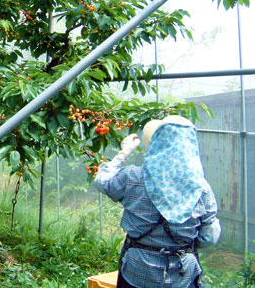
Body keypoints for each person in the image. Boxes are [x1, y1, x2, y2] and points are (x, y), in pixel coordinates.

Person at [94, 115, 221, 288]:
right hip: (182, 276)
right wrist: (180, 244)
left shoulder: (133, 177)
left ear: (157, 143)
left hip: (137, 273)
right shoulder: (201, 189)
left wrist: (124, 152)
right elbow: (209, 238)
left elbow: (102, 181)